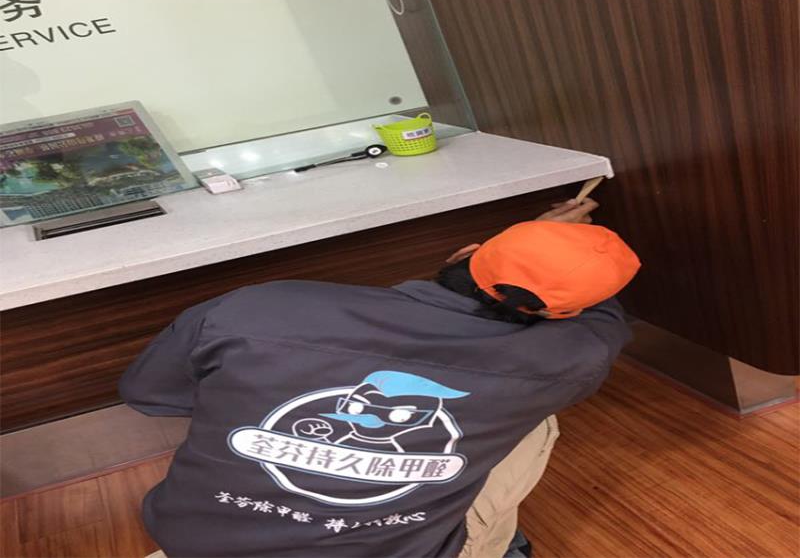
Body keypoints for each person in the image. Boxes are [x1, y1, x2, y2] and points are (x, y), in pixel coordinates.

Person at [121, 198, 640, 558]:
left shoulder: (259, 304)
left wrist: (534, 239)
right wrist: (567, 266)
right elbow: (597, 318)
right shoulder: (571, 358)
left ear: (462, 254)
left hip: (193, 543)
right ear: (563, 314)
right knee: (534, 422)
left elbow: (148, 392)